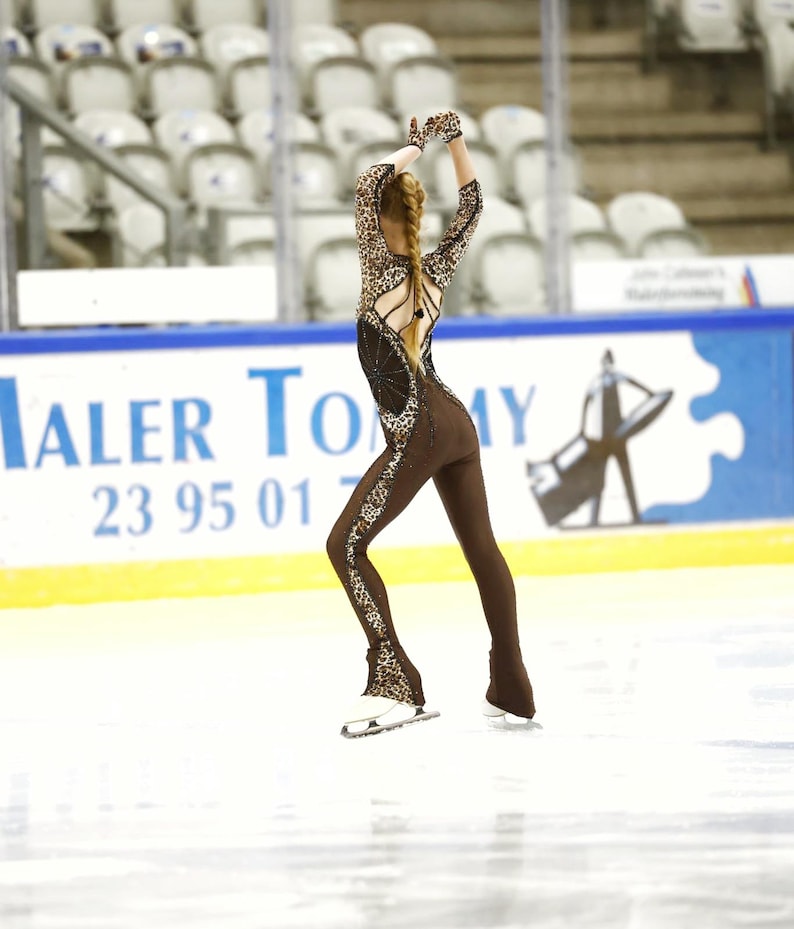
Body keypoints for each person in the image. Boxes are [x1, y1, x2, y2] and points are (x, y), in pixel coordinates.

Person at [326, 111, 537, 738]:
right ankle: (513, 689)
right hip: (455, 424)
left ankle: (396, 680)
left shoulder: (379, 269)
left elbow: (368, 180)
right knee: (483, 552)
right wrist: (457, 143)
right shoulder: (432, 271)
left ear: (379, 220)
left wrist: (417, 146)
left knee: (344, 546)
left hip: (418, 430)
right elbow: (471, 207)